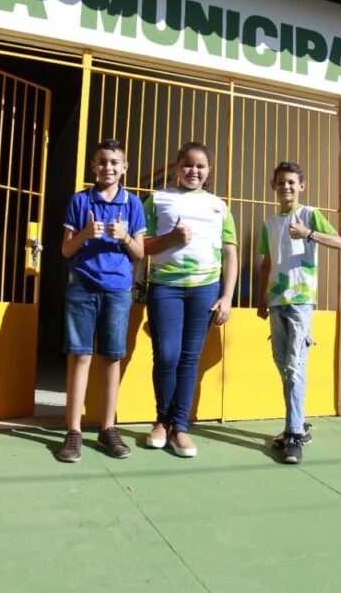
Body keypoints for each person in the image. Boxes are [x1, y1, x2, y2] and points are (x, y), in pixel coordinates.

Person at [142, 141, 238, 458]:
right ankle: (161, 421)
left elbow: (230, 252)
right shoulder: (158, 199)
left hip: (205, 290)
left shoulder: (219, 205)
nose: (193, 171)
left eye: (200, 166)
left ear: (208, 171)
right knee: (166, 355)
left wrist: (227, 296)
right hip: (165, 287)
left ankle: (180, 428)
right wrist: (171, 238)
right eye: (187, 164)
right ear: (176, 166)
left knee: (189, 358)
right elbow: (140, 245)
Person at [57, 139, 146, 463]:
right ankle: (73, 431)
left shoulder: (133, 204)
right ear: (93, 167)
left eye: (114, 162)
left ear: (124, 167)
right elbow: (66, 250)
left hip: (118, 290)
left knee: (112, 356)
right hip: (81, 287)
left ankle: (108, 428)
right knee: (79, 356)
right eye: (102, 162)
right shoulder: (80, 201)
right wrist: (84, 234)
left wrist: (123, 236)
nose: (108, 167)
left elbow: (140, 254)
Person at [256, 161, 341, 464]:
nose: (287, 187)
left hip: (301, 300)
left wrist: (309, 234)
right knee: (283, 365)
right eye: (281, 182)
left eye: (292, 182)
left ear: (301, 186)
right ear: (273, 186)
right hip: (277, 300)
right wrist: (261, 298)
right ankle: (298, 424)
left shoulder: (309, 215)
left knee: (295, 366)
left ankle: (294, 434)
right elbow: (267, 262)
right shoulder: (269, 222)